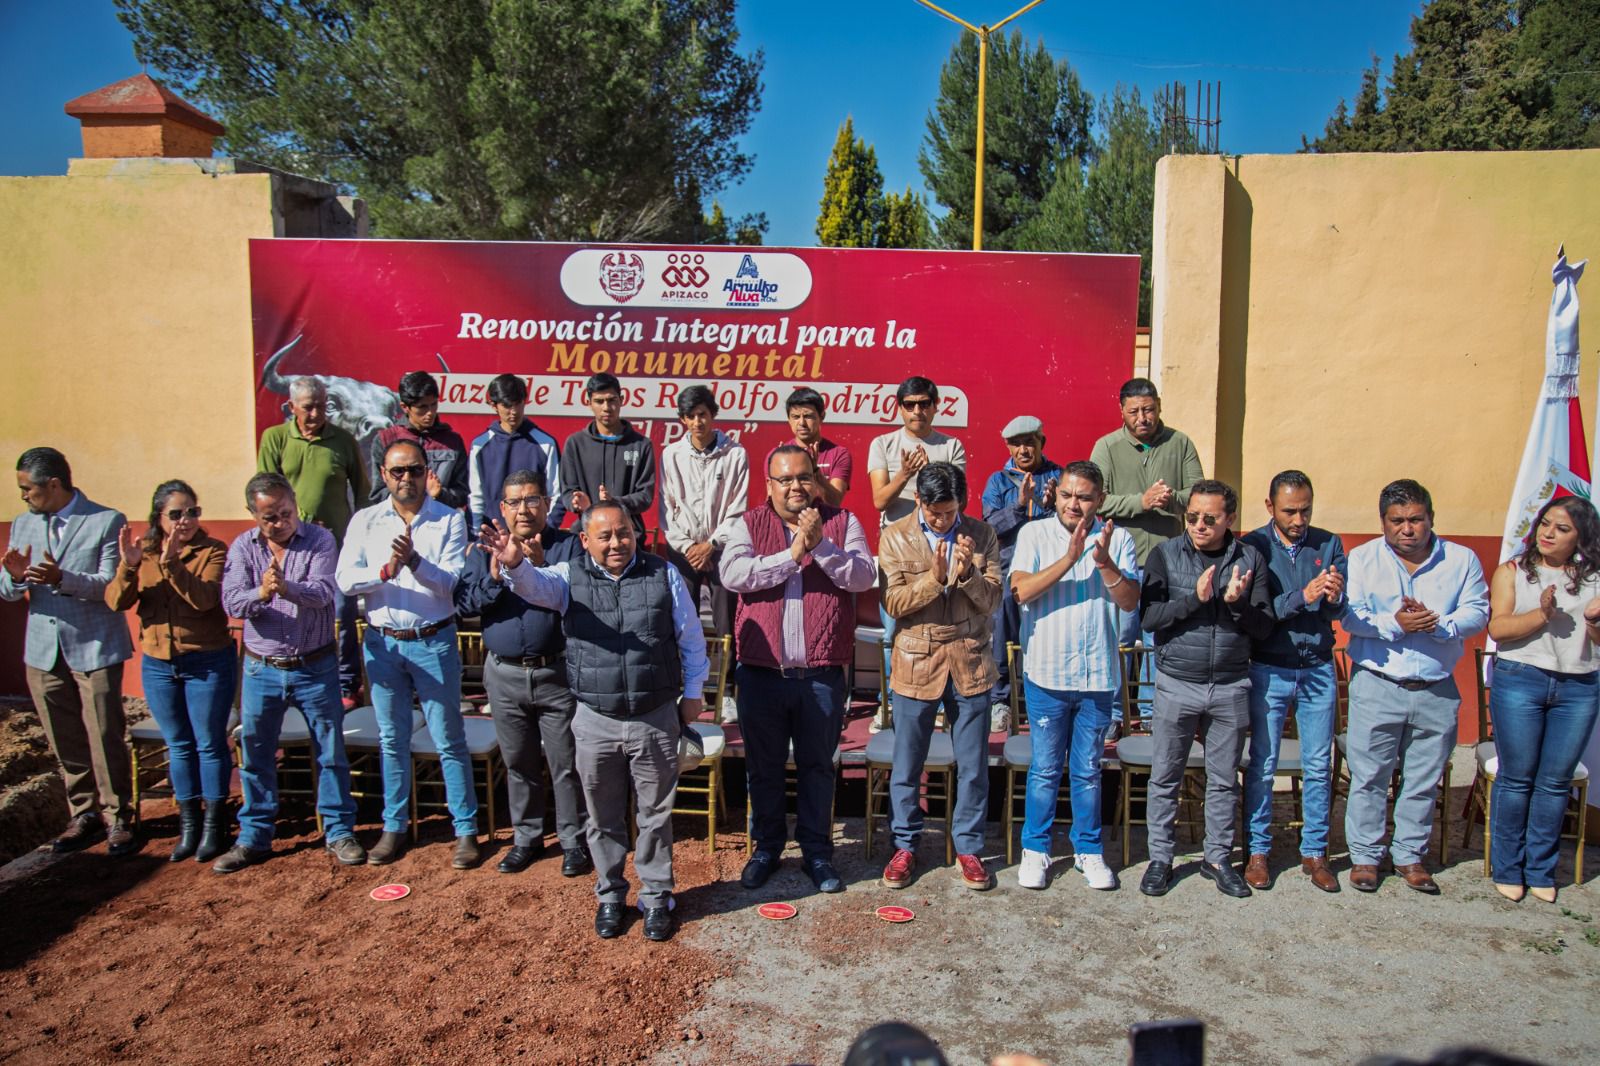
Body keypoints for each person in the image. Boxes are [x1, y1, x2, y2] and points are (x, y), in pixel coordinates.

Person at [491, 500, 709, 941]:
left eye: (624, 532)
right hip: (594, 717)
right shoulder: (569, 576)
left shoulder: (662, 573)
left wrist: (693, 692)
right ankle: (610, 894)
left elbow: (691, 637)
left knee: (655, 815)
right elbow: (534, 587)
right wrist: (515, 566)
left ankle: (656, 896)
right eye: (605, 535)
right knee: (602, 815)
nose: (616, 542)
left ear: (637, 534)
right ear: (585, 540)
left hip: (654, 716)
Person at [721, 445, 877, 894]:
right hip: (761, 673)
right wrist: (792, 554)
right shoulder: (748, 524)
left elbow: (863, 577)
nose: (795, 487)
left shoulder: (842, 522)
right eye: (784, 479)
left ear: (816, 480)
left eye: (803, 477)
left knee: (818, 768)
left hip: (822, 676)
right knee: (764, 767)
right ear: (768, 485)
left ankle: (816, 852)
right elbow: (734, 575)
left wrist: (820, 546)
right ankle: (766, 848)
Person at [1342, 478, 1488, 895]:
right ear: (1383, 522)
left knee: (1423, 778)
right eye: (1397, 521)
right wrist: (1397, 624)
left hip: (1436, 687)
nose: (1407, 528)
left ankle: (1409, 855)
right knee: (1369, 776)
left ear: (1431, 518)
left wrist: (1440, 625)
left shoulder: (1461, 560)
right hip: (1378, 682)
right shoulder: (1363, 559)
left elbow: (1477, 611)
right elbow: (1350, 617)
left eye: (1416, 519)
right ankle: (1366, 856)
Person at [214, 472, 365, 873]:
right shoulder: (243, 549)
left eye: (286, 512)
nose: (281, 521)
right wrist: (261, 593)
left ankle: (338, 831)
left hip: (315, 664)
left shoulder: (319, 540)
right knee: (257, 753)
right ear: (253, 515)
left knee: (330, 751)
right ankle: (255, 836)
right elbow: (231, 601)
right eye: (270, 517)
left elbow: (322, 594)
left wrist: (285, 589)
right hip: (262, 668)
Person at [338, 439, 477, 869]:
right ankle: (394, 827)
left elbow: (451, 583)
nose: (406, 479)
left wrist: (415, 562)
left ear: (426, 472)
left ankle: (465, 830)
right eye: (398, 471)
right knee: (391, 739)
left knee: (449, 739)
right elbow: (344, 579)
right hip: (383, 642)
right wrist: (380, 573)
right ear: (383, 474)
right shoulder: (365, 520)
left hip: (433, 640)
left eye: (414, 470)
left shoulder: (449, 520)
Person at [453, 468, 592, 878]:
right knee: (519, 762)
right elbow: (464, 603)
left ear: (548, 505)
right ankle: (526, 838)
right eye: (514, 502)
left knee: (566, 762)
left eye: (532, 500)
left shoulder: (568, 547)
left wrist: (538, 566)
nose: (523, 509)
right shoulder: (483, 550)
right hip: (504, 674)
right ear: (502, 509)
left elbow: (583, 595)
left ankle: (573, 840)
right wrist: (498, 576)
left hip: (557, 672)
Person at [1137, 478, 1272, 898]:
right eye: (1191, 516)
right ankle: (1160, 858)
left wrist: (1236, 605)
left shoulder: (1250, 558)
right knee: (1165, 776)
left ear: (1229, 519)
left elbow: (1265, 626)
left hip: (1230, 683)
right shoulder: (1165, 554)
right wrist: (1195, 599)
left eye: (1209, 518)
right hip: (1177, 682)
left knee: (1223, 780)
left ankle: (1217, 858)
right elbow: (1149, 618)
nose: (1198, 525)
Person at [1008, 460, 1139, 892]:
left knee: (1087, 770)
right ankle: (1036, 849)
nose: (1074, 504)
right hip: (1046, 671)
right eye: (1066, 495)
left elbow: (1128, 601)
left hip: (1098, 676)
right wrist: (1069, 557)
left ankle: (1088, 850)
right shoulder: (1034, 534)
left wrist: (1103, 563)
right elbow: (1022, 590)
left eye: (1084, 496)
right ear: (1056, 495)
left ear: (1099, 500)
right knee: (1045, 768)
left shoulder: (1118, 539)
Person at [2, 447, 137, 855]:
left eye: (28, 489)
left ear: (54, 484)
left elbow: (107, 586)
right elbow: (8, 589)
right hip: (43, 649)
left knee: (104, 733)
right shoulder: (23, 525)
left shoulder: (105, 520)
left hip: (94, 643)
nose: (23, 496)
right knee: (63, 737)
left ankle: (119, 816)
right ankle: (84, 813)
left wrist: (62, 577)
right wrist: (16, 578)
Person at [877, 462, 1003, 890]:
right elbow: (894, 603)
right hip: (916, 659)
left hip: (970, 658)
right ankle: (905, 844)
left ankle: (968, 847)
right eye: (936, 514)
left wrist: (967, 575)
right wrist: (933, 579)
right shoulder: (895, 537)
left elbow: (992, 602)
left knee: (972, 765)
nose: (944, 520)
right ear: (919, 501)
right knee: (907, 763)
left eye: (951, 512)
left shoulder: (982, 534)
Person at [104, 480, 235, 863]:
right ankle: (189, 824)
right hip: (159, 663)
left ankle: (215, 826)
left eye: (192, 511)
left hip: (207, 659)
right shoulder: (141, 552)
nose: (186, 520)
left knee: (209, 742)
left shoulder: (211, 550)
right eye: (176, 514)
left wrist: (173, 563)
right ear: (158, 517)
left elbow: (206, 600)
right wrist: (128, 566)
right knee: (178, 745)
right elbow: (116, 601)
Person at [1486, 496, 1600, 904]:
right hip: (1521, 679)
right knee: (1517, 779)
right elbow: (1498, 628)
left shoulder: (1595, 578)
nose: (1549, 533)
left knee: (1554, 784)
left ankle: (1541, 870)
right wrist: (1542, 614)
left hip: (1579, 686)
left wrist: (1592, 621)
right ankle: (1508, 867)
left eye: (1562, 528)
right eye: (1546, 524)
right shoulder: (1514, 572)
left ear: (1581, 536)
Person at [1239, 471, 1347, 892]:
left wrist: (1334, 596)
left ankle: (1316, 852)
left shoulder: (1329, 543)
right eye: (1290, 511)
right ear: (1270, 508)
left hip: (1318, 666)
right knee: (1263, 764)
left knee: (1318, 764)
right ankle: (1259, 850)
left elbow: (1337, 611)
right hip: (1269, 665)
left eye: (1306, 509)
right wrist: (1304, 596)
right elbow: (1257, 612)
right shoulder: (1253, 546)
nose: (1300, 519)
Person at [257, 375, 370, 709]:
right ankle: (298, 681)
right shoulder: (275, 438)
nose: (316, 413)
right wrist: (294, 526)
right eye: (308, 407)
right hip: (287, 546)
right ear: (291, 407)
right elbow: (265, 491)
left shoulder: (343, 440)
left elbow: (363, 493)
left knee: (342, 612)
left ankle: (348, 683)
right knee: (291, 610)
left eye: (322, 405)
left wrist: (362, 536)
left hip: (334, 544)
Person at [868, 376, 967, 692]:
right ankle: (893, 705)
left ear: (936, 407)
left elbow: (959, 500)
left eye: (924, 404)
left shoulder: (951, 446)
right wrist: (906, 474)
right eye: (910, 405)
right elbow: (880, 500)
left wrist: (929, 479)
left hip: (941, 550)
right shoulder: (883, 444)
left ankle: (935, 703)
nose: (917, 411)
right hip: (898, 552)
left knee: (939, 628)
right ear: (900, 409)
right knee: (892, 631)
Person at [981, 415, 1062, 730]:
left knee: (1047, 636)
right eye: (1016, 443)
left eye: (1030, 442)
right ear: (1008, 446)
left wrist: (1056, 506)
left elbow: (1076, 521)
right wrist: (1019, 504)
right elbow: (988, 528)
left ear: (1042, 441)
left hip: (1050, 572)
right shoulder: (998, 481)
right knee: (1002, 634)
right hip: (1009, 570)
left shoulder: (1059, 476)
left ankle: (1043, 701)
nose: (1024, 449)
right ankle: (1000, 702)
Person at [660, 383, 749, 638]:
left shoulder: (735, 454)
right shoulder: (671, 455)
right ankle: (686, 676)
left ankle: (730, 677)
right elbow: (667, 509)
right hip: (683, 552)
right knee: (683, 618)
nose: (697, 421)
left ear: (712, 414)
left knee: (727, 622)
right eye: (691, 416)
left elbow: (738, 508)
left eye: (702, 414)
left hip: (723, 549)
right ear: (682, 419)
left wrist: (712, 544)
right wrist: (689, 547)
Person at [1088, 378, 1204, 568]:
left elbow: (1198, 497)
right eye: (1133, 412)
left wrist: (1170, 499)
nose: (1142, 418)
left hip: (1172, 558)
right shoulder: (1106, 447)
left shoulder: (1180, 443)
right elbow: (1095, 501)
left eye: (1148, 410)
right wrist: (1141, 502)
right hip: (1122, 558)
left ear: (1159, 405)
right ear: (1121, 410)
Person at [548, 372, 656, 535]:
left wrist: (614, 502)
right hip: (586, 534)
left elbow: (645, 496)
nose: (606, 407)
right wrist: (575, 501)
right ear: (588, 402)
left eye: (612, 400)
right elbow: (568, 492)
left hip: (629, 535)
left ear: (622, 400)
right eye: (599, 401)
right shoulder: (575, 444)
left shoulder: (641, 445)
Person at [467, 372, 561, 533]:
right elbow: (476, 497)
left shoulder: (546, 444)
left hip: (536, 540)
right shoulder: (479, 446)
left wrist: (546, 531)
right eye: (507, 405)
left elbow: (556, 494)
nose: (514, 411)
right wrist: (477, 535)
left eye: (518, 403)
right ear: (493, 405)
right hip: (494, 540)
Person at [369, 370, 470, 510]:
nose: (430, 413)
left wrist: (440, 494)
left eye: (433, 404)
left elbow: (462, 493)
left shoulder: (452, 441)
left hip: (440, 521)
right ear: (405, 407)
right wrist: (412, 497)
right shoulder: (385, 440)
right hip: (396, 522)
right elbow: (378, 493)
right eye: (422, 407)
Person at [784, 387, 851, 507]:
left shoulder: (839, 454)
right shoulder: (778, 455)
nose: (802, 423)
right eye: (795, 417)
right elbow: (773, 502)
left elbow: (835, 502)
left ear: (822, 416)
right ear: (788, 419)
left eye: (808, 416)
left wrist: (815, 471)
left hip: (826, 524)